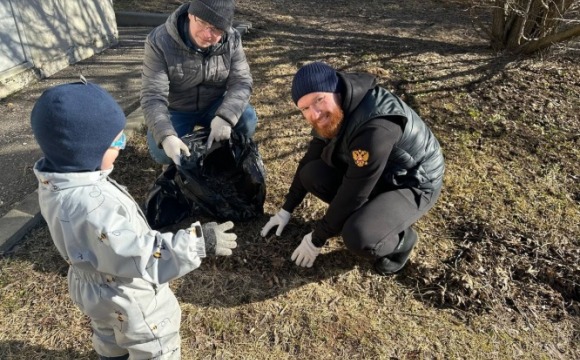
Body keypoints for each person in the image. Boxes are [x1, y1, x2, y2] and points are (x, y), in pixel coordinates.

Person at [31, 80, 238, 360]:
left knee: (107, 331)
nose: (124, 144)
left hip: (89, 287)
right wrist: (198, 243)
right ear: (86, 150)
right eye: (116, 141)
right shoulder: (94, 205)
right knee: (154, 342)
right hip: (127, 294)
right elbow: (140, 255)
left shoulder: (53, 184)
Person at [260, 62, 445, 275]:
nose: (315, 113)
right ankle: (370, 214)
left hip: (413, 181)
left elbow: (355, 190)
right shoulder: (334, 112)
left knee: (360, 236)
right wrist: (286, 209)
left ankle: (403, 240)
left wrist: (317, 238)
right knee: (311, 174)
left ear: (335, 89)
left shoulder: (376, 126)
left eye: (318, 100)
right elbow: (312, 155)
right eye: (305, 108)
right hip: (377, 173)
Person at [141, 0, 256, 166]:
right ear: (190, 14)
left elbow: (242, 81)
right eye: (202, 22)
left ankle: (220, 153)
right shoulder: (159, 41)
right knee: (163, 152)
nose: (208, 34)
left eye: (217, 29)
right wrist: (166, 135)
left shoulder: (231, 39)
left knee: (247, 120)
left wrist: (225, 117)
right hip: (176, 108)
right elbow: (152, 95)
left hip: (214, 103)